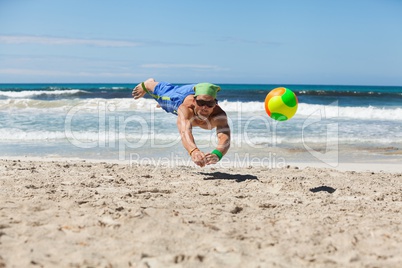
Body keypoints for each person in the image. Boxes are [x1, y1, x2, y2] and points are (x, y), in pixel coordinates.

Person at [132, 78, 230, 167]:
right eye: (201, 103)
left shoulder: (218, 115)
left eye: (210, 104)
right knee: (163, 97)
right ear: (194, 101)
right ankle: (150, 83)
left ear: (215, 103)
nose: (205, 107)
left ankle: (163, 105)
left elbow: (225, 136)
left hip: (198, 91)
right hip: (178, 98)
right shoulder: (185, 108)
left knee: (167, 105)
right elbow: (184, 132)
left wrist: (218, 154)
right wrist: (194, 151)